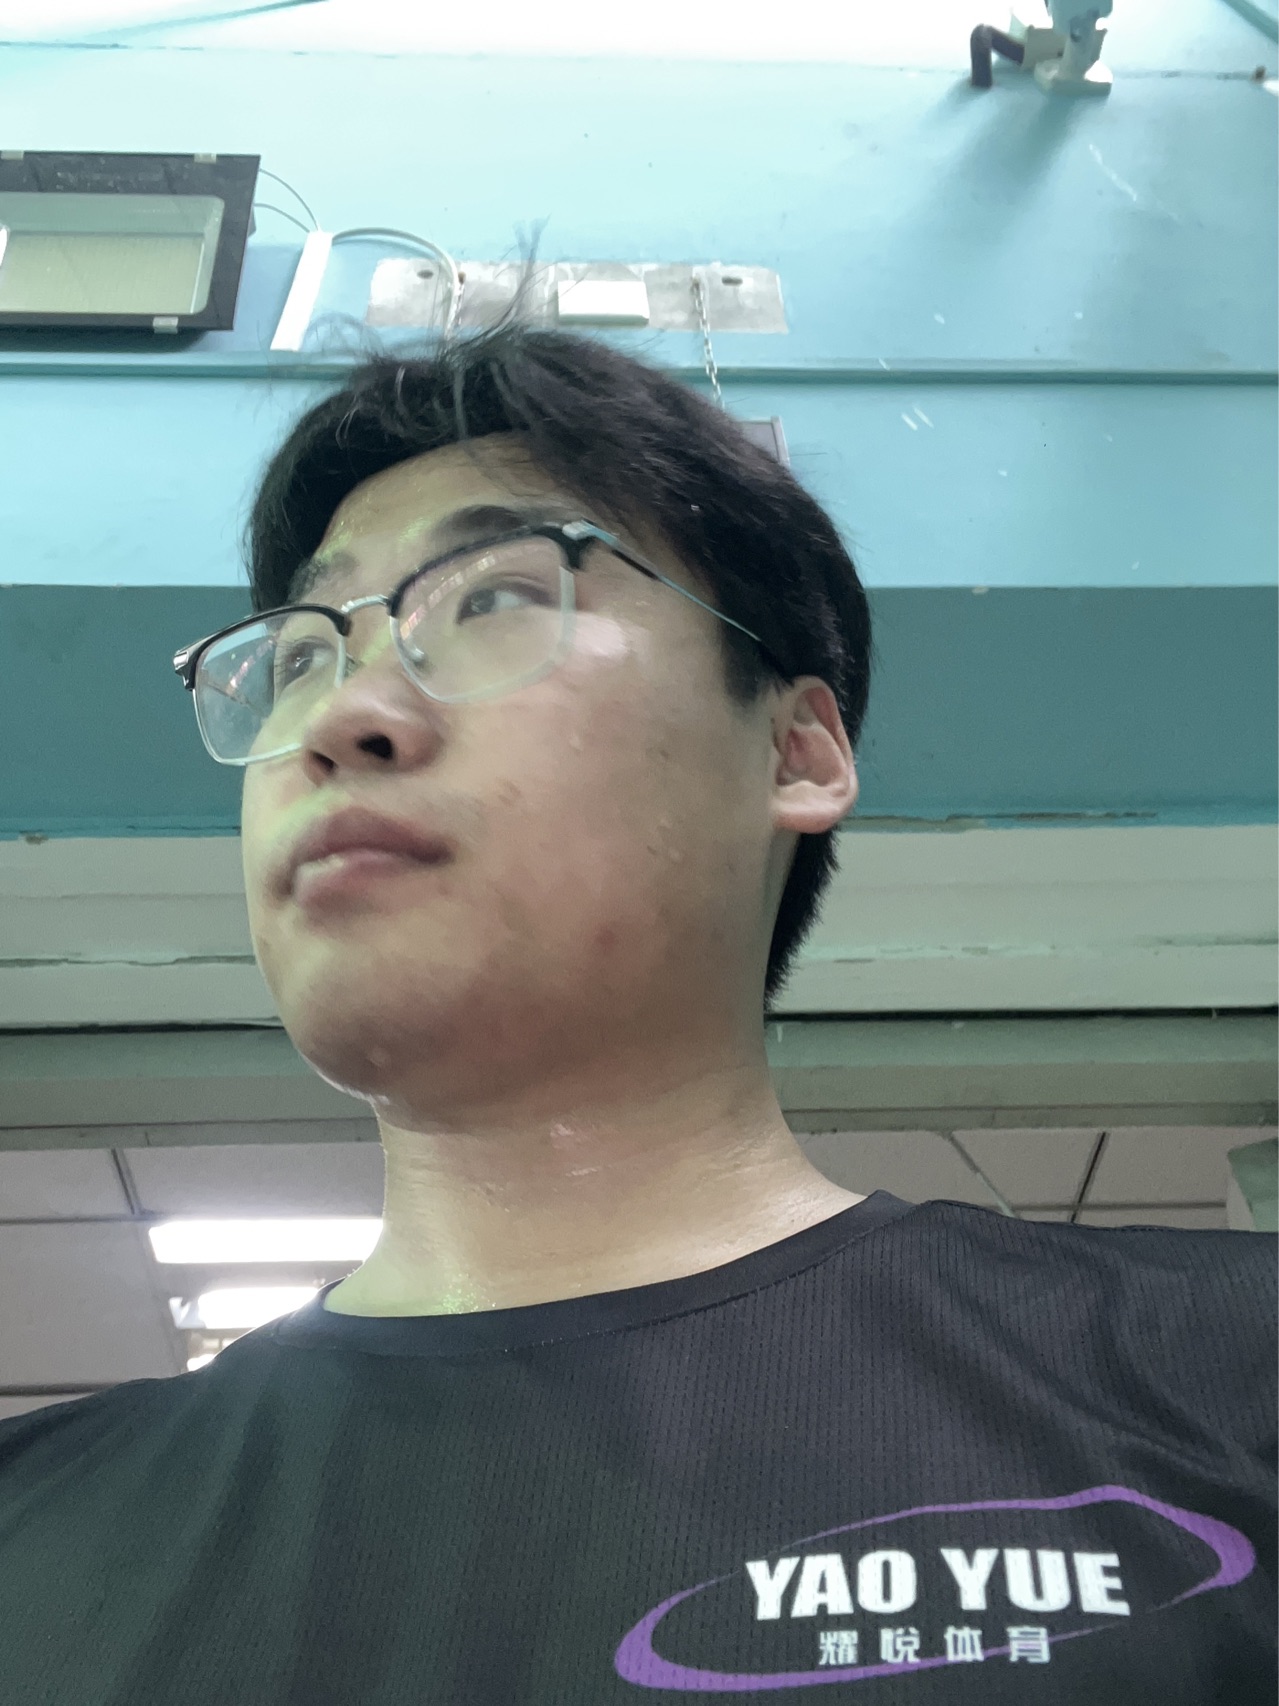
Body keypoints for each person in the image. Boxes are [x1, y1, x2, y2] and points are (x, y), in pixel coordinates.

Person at [0, 321, 1272, 1705]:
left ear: (797, 751)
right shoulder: (35, 1531)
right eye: (303, 654)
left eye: (491, 595)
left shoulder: (1226, 1372)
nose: (344, 712)